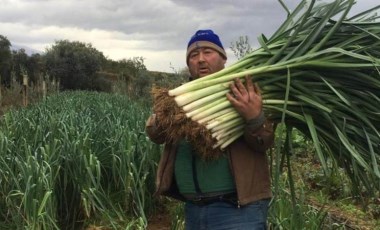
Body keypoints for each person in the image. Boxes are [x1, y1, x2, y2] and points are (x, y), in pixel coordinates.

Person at [146, 29, 274, 230]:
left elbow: (265, 141)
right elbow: (156, 135)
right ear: (188, 64)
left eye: (208, 52)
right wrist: (163, 116)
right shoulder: (180, 99)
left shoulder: (247, 92)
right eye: (194, 55)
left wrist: (254, 118)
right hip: (194, 209)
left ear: (223, 58)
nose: (201, 60)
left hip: (238, 211)